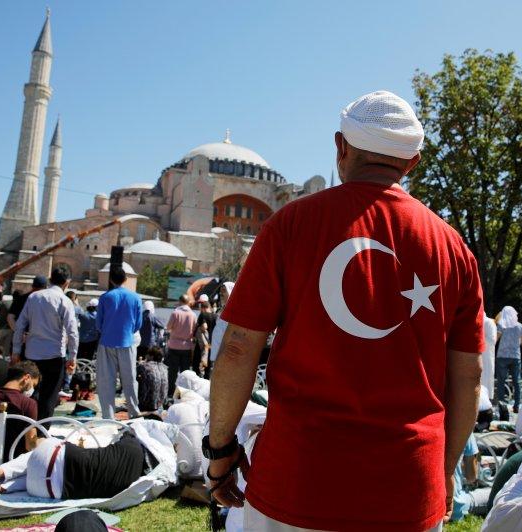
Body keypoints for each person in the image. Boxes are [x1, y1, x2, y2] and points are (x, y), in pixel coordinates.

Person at [207, 91, 485, 530]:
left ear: (341, 147)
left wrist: (221, 451)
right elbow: (468, 375)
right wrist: (443, 469)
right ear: (411, 163)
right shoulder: (453, 249)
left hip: (297, 482)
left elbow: (239, 348)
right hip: (407, 486)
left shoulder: (290, 226)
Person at [0, 420, 174, 500]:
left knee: (44, 449)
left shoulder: (131, 444)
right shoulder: (137, 482)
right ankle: (2, 487)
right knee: (45, 470)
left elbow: (129, 429)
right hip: (47, 491)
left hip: (47, 461)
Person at [12, 268, 78, 421]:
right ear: (67, 283)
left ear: (50, 279)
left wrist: (16, 351)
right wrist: (72, 358)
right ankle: (41, 432)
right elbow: (72, 332)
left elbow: (20, 325)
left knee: (30, 392)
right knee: (49, 396)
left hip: (32, 353)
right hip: (54, 355)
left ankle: (25, 426)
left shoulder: (34, 297)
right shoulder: (65, 301)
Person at [95, 266, 143, 419]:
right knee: (129, 380)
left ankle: (108, 417)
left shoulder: (104, 297)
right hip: (127, 342)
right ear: (125, 279)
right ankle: (134, 413)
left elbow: (98, 324)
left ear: (110, 280)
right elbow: (138, 324)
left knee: (106, 382)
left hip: (107, 342)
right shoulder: (136, 298)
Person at [165, 294, 197, 398]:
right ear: (188, 302)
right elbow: (194, 331)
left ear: (180, 301)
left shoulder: (175, 313)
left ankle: (170, 393)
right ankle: (182, 395)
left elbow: (168, 327)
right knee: (185, 373)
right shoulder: (193, 315)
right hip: (187, 346)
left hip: (174, 345)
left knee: (172, 372)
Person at [495, 306, 522, 410]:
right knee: (517, 381)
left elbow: (496, 338)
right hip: (515, 356)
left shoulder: (501, 325)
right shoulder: (520, 326)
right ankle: (517, 405)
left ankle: (501, 405)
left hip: (502, 356)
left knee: (501, 381)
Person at [207, 282, 234, 378]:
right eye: (220, 291)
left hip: (226, 357)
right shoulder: (221, 310)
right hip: (217, 356)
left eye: (224, 291)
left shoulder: (234, 311)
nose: (220, 294)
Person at [136, 347, 168, 413]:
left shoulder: (144, 366)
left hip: (146, 406)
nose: (145, 356)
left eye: (147, 354)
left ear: (151, 356)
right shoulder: (165, 368)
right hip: (160, 406)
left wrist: (139, 364)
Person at [195, 297, 216, 375]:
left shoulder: (202, 315)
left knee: (198, 366)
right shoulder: (215, 316)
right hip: (211, 344)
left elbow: (204, 326)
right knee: (208, 367)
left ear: (202, 308)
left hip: (202, 345)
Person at [481, 314, 497, 401]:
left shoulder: (489, 322)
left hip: (486, 356)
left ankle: (486, 401)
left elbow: (492, 340)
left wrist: (478, 337)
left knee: (486, 379)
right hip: (477, 356)